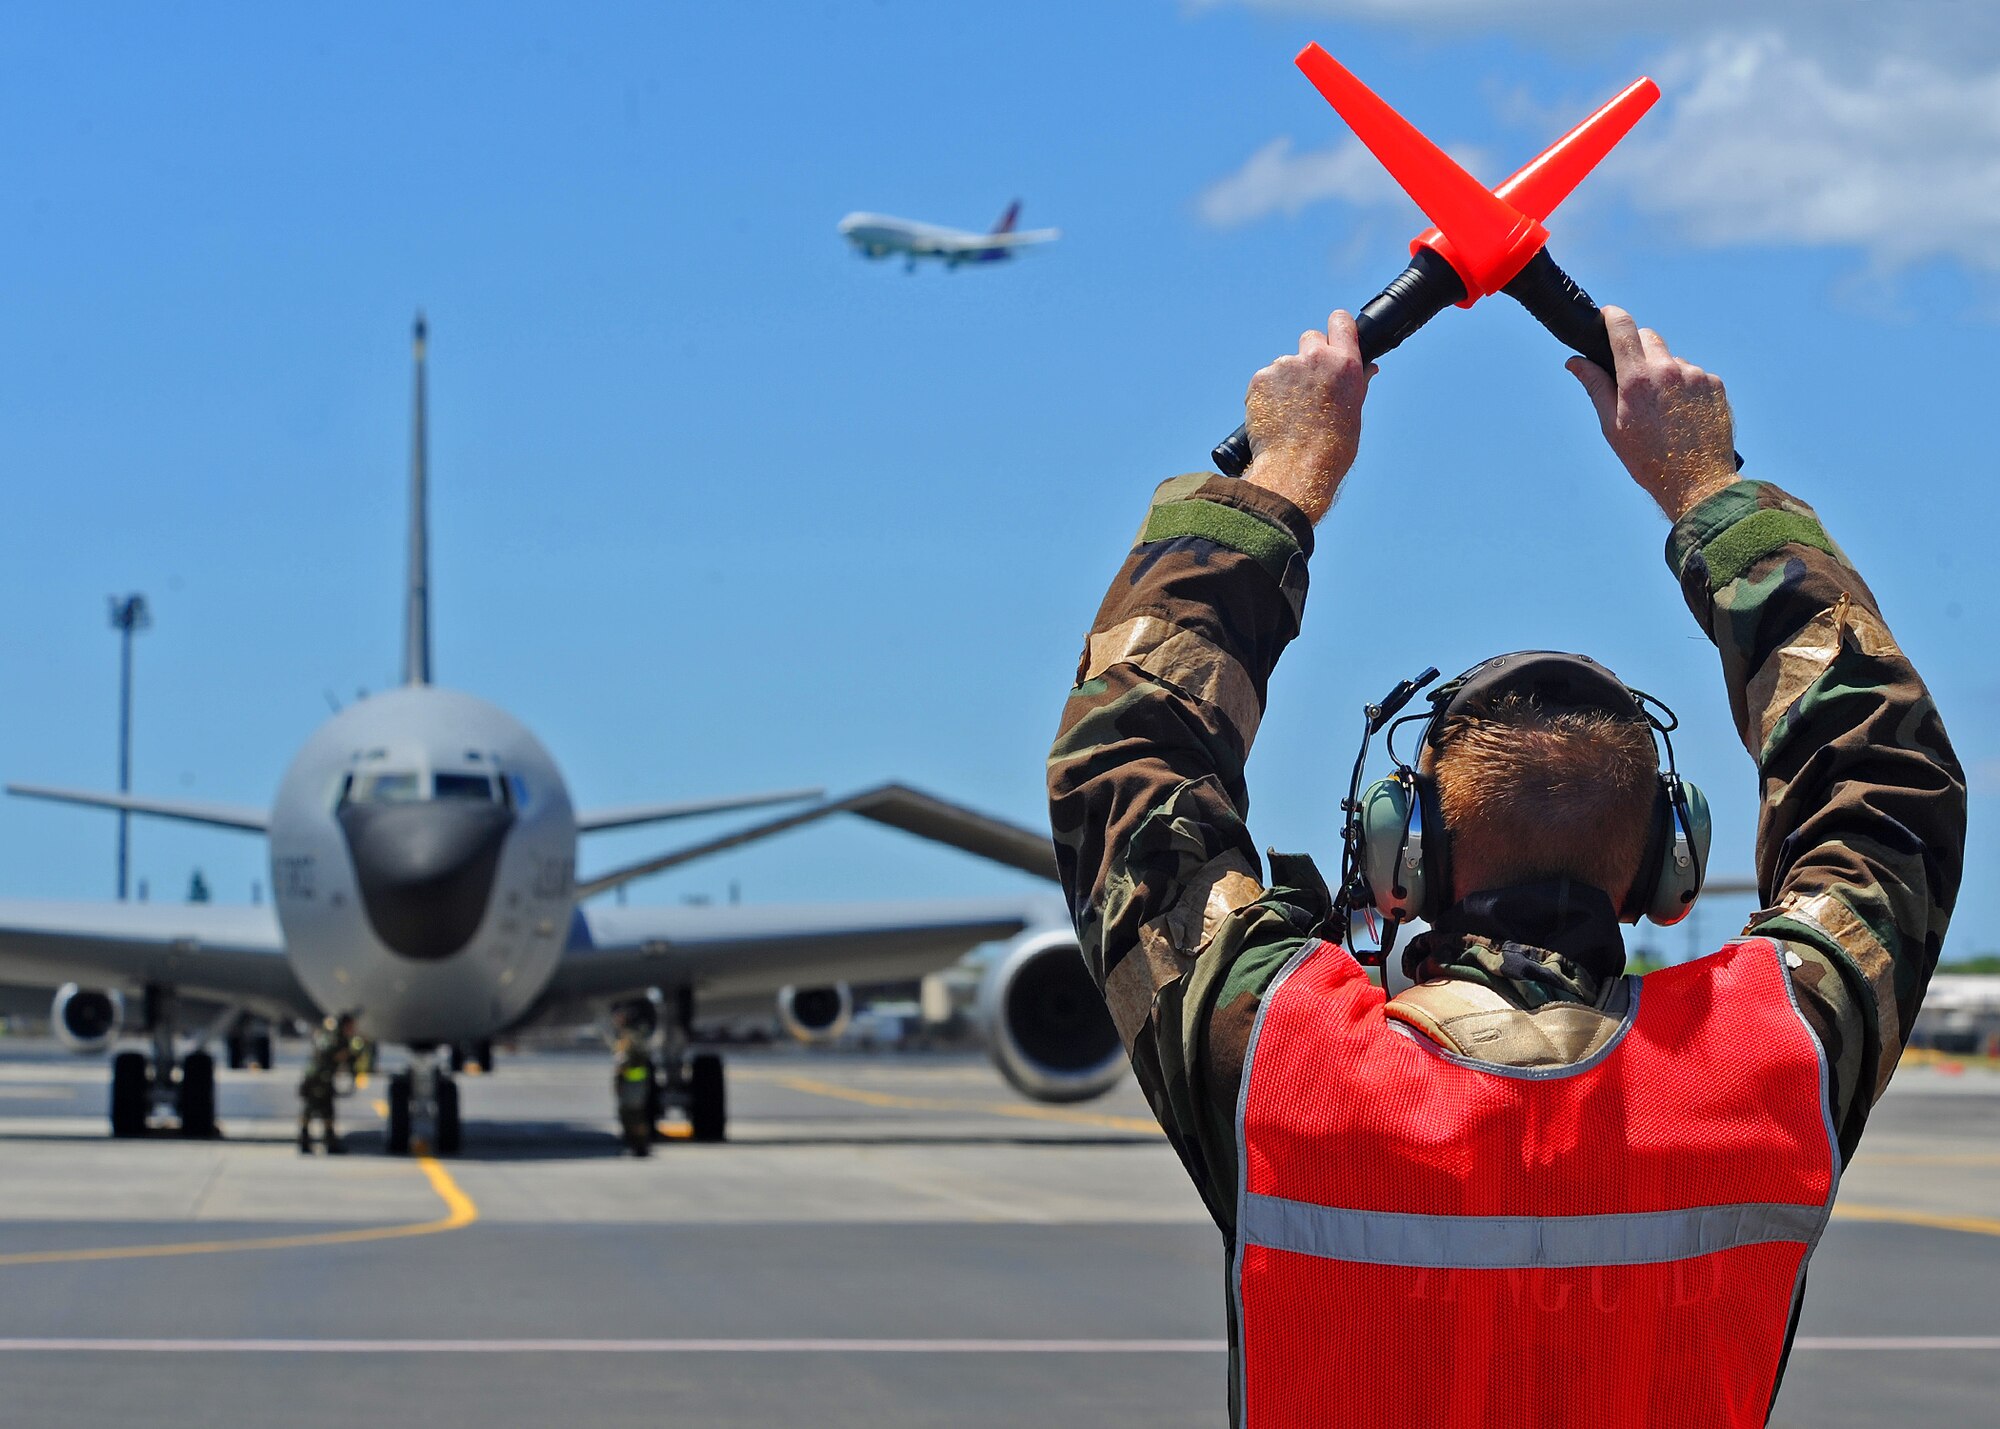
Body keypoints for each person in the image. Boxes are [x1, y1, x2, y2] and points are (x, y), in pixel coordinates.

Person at [1047, 307, 1965, 1426]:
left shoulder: (1280, 1062)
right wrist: (1704, 488)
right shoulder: (1770, 1057)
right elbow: (1884, 784)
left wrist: (1282, 473)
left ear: (1402, 851)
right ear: (1666, 864)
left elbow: (1128, 754)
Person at [297, 1012, 359, 1154]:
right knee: (319, 1110)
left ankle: (311, 1140)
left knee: (318, 1110)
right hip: (320, 1079)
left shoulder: (330, 1036)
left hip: (317, 1077)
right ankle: (319, 1141)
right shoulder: (337, 1040)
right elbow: (335, 1056)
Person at [611, 1014, 657, 1157]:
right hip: (634, 1084)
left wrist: (622, 1067)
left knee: (633, 1116)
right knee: (633, 1116)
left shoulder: (630, 1039)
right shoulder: (633, 1038)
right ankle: (638, 1143)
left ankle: (640, 1144)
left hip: (632, 1084)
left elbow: (627, 1061)